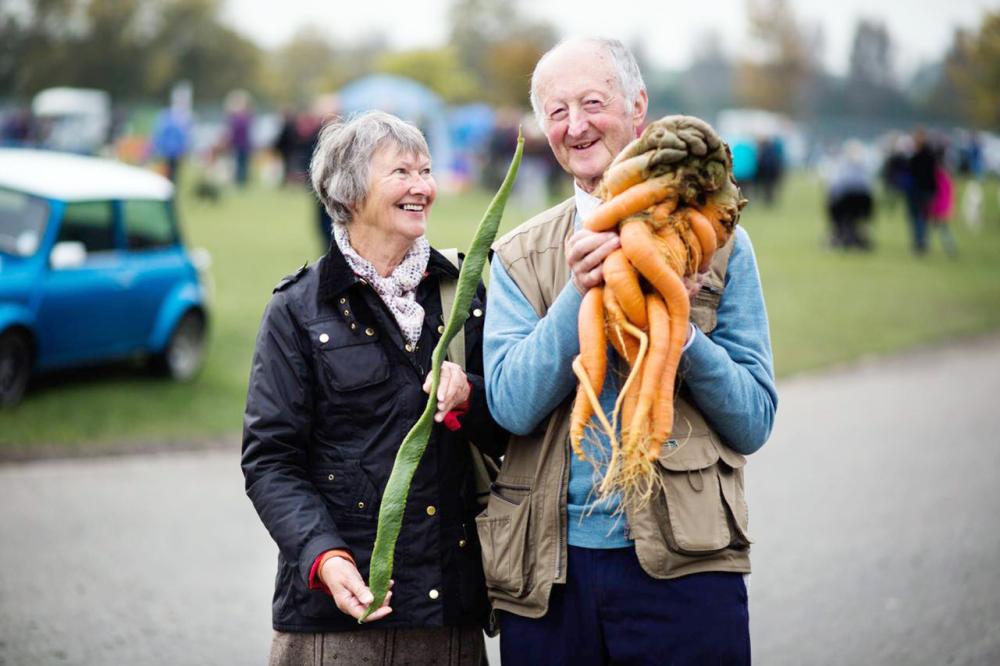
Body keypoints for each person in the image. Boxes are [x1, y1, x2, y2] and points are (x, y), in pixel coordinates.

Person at [482, 37, 777, 665]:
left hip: (688, 567)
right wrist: (576, 295)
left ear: (637, 107)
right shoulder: (519, 255)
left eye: (593, 102)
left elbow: (753, 419)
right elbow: (509, 405)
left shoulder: (718, 242)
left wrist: (680, 326)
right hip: (550, 575)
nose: (576, 125)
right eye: (556, 112)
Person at [242, 110, 506, 666]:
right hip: (338, 617)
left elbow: (509, 431)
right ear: (351, 191)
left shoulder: (465, 293)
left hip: (446, 616)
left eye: (426, 170)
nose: (423, 187)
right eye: (402, 172)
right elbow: (271, 460)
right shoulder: (296, 309)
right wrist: (325, 559)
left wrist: (470, 397)